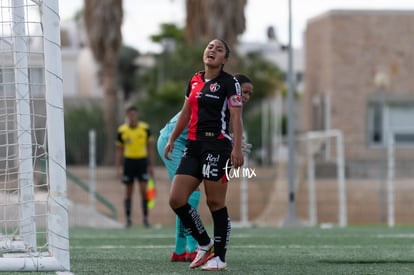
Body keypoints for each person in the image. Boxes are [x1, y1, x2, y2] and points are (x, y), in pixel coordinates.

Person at [164, 39, 244, 271]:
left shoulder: (230, 83)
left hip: (218, 147)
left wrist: (237, 148)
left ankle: (220, 257)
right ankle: (204, 243)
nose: (212, 51)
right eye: (210, 47)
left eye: (219, 50)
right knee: (176, 199)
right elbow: (186, 111)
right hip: (193, 146)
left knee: (215, 202)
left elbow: (236, 117)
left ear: (225, 59)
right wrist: (172, 138)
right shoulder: (195, 79)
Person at [116, 106, 154, 228]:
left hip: (142, 162)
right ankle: (128, 219)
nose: (132, 117)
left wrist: (150, 164)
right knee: (128, 192)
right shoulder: (122, 130)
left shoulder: (145, 128)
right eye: (130, 115)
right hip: (129, 163)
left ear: (137, 116)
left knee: (144, 191)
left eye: (134, 115)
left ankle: (146, 219)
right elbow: (119, 150)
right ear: (127, 116)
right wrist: (118, 168)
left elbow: (150, 147)